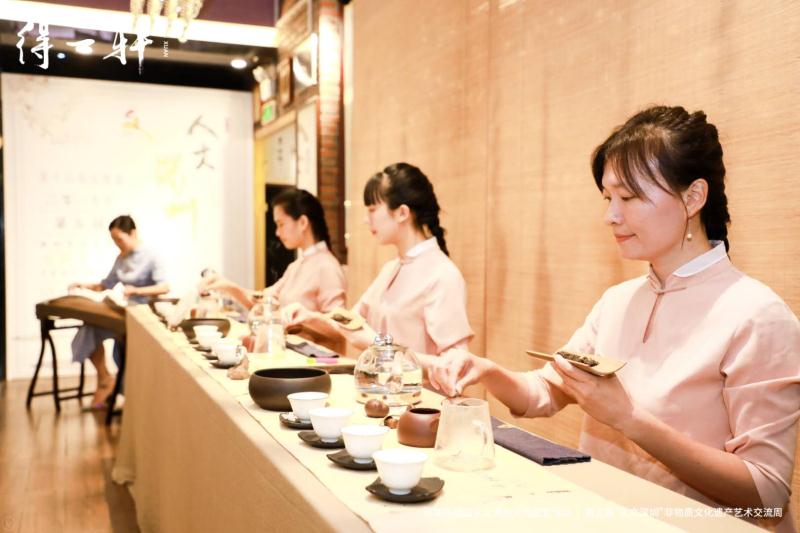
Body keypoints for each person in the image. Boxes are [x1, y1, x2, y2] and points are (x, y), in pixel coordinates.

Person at [429, 106, 800, 527]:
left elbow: (766, 492)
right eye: (608, 198)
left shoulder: (757, 315)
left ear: (693, 197)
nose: (611, 216)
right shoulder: (619, 300)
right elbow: (545, 392)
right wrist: (486, 371)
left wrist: (628, 419)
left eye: (629, 197)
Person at [285, 163, 474, 367]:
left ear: (402, 213)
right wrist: (308, 317)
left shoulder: (442, 275)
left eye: (372, 210)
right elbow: (350, 320)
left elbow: (454, 367)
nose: (366, 220)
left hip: (418, 388)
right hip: (377, 385)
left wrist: (376, 344)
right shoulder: (391, 268)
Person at [70, 215, 169, 408]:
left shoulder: (151, 255)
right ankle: (105, 378)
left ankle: (128, 393)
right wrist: (83, 285)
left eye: (120, 239)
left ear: (133, 233)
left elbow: (164, 287)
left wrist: (136, 291)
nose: (117, 244)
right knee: (88, 330)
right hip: (126, 312)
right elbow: (105, 285)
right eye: (114, 240)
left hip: (144, 314)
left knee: (124, 350)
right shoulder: (121, 258)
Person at [201, 188, 346, 313]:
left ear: (302, 222)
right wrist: (227, 286)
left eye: (281, 224)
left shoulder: (327, 267)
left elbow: (337, 327)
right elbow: (263, 301)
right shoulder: (297, 265)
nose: (277, 232)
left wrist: (302, 320)